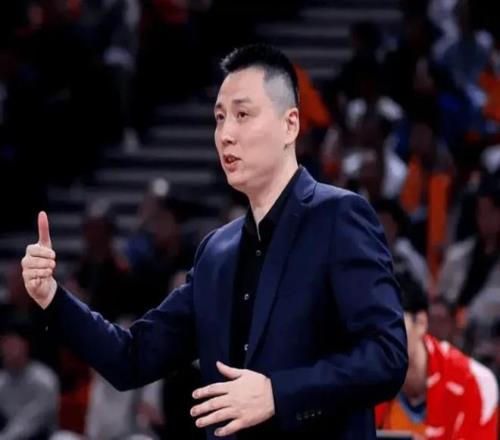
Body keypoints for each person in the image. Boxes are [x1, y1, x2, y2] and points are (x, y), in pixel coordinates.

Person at [21, 44, 408, 439]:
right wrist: (52, 297)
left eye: (243, 115)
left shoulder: (339, 217)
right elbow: (130, 358)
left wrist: (278, 393)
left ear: (290, 125)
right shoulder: (215, 253)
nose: (226, 134)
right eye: (220, 118)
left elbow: (386, 355)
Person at [376, 270, 498, 439]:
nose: (378, 335)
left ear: (421, 322)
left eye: (390, 323)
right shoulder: (362, 382)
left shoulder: (476, 382)